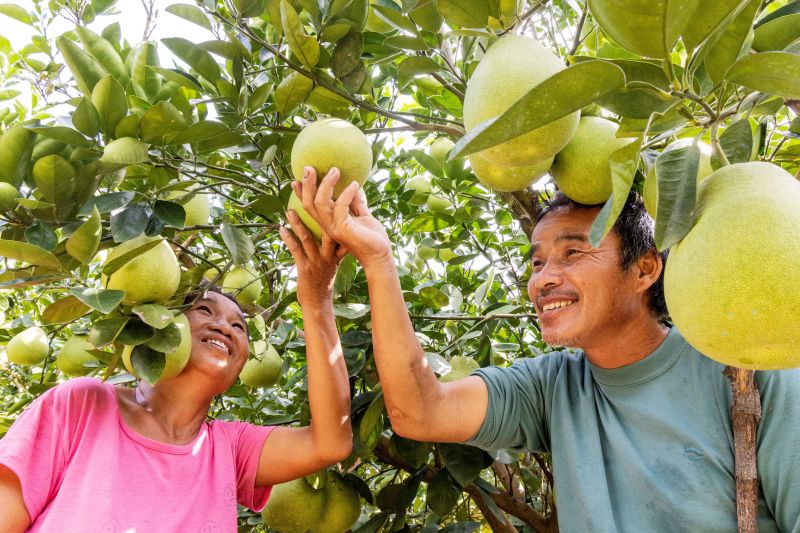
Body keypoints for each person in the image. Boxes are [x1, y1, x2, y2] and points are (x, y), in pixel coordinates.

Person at [292, 166, 800, 532]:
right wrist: (378, 261)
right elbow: (418, 411)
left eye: (573, 253)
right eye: (537, 264)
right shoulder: (553, 385)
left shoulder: (750, 373)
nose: (544, 281)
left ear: (646, 269)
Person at [0, 216, 352, 532]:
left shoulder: (228, 449)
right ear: (160, 324)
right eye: (204, 309)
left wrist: (317, 299)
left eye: (239, 326)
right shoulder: (84, 404)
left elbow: (330, 442)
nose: (225, 327)